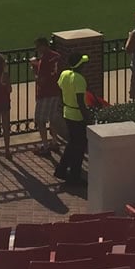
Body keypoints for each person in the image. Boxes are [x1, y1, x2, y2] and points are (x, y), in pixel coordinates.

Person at [54, 51, 90, 186]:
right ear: (80, 65)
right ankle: (75, 175)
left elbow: (60, 89)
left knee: (72, 143)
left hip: (67, 112)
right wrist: (88, 118)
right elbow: (81, 101)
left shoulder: (64, 74)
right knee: (79, 146)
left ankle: (61, 169)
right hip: (77, 116)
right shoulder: (79, 79)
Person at [31, 37, 63, 157]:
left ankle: (45, 146)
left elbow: (41, 81)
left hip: (45, 94)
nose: (37, 49)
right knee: (53, 119)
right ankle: (54, 142)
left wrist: (35, 69)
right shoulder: (57, 56)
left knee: (40, 120)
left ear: (44, 45)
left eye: (38, 47)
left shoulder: (44, 60)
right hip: (56, 91)